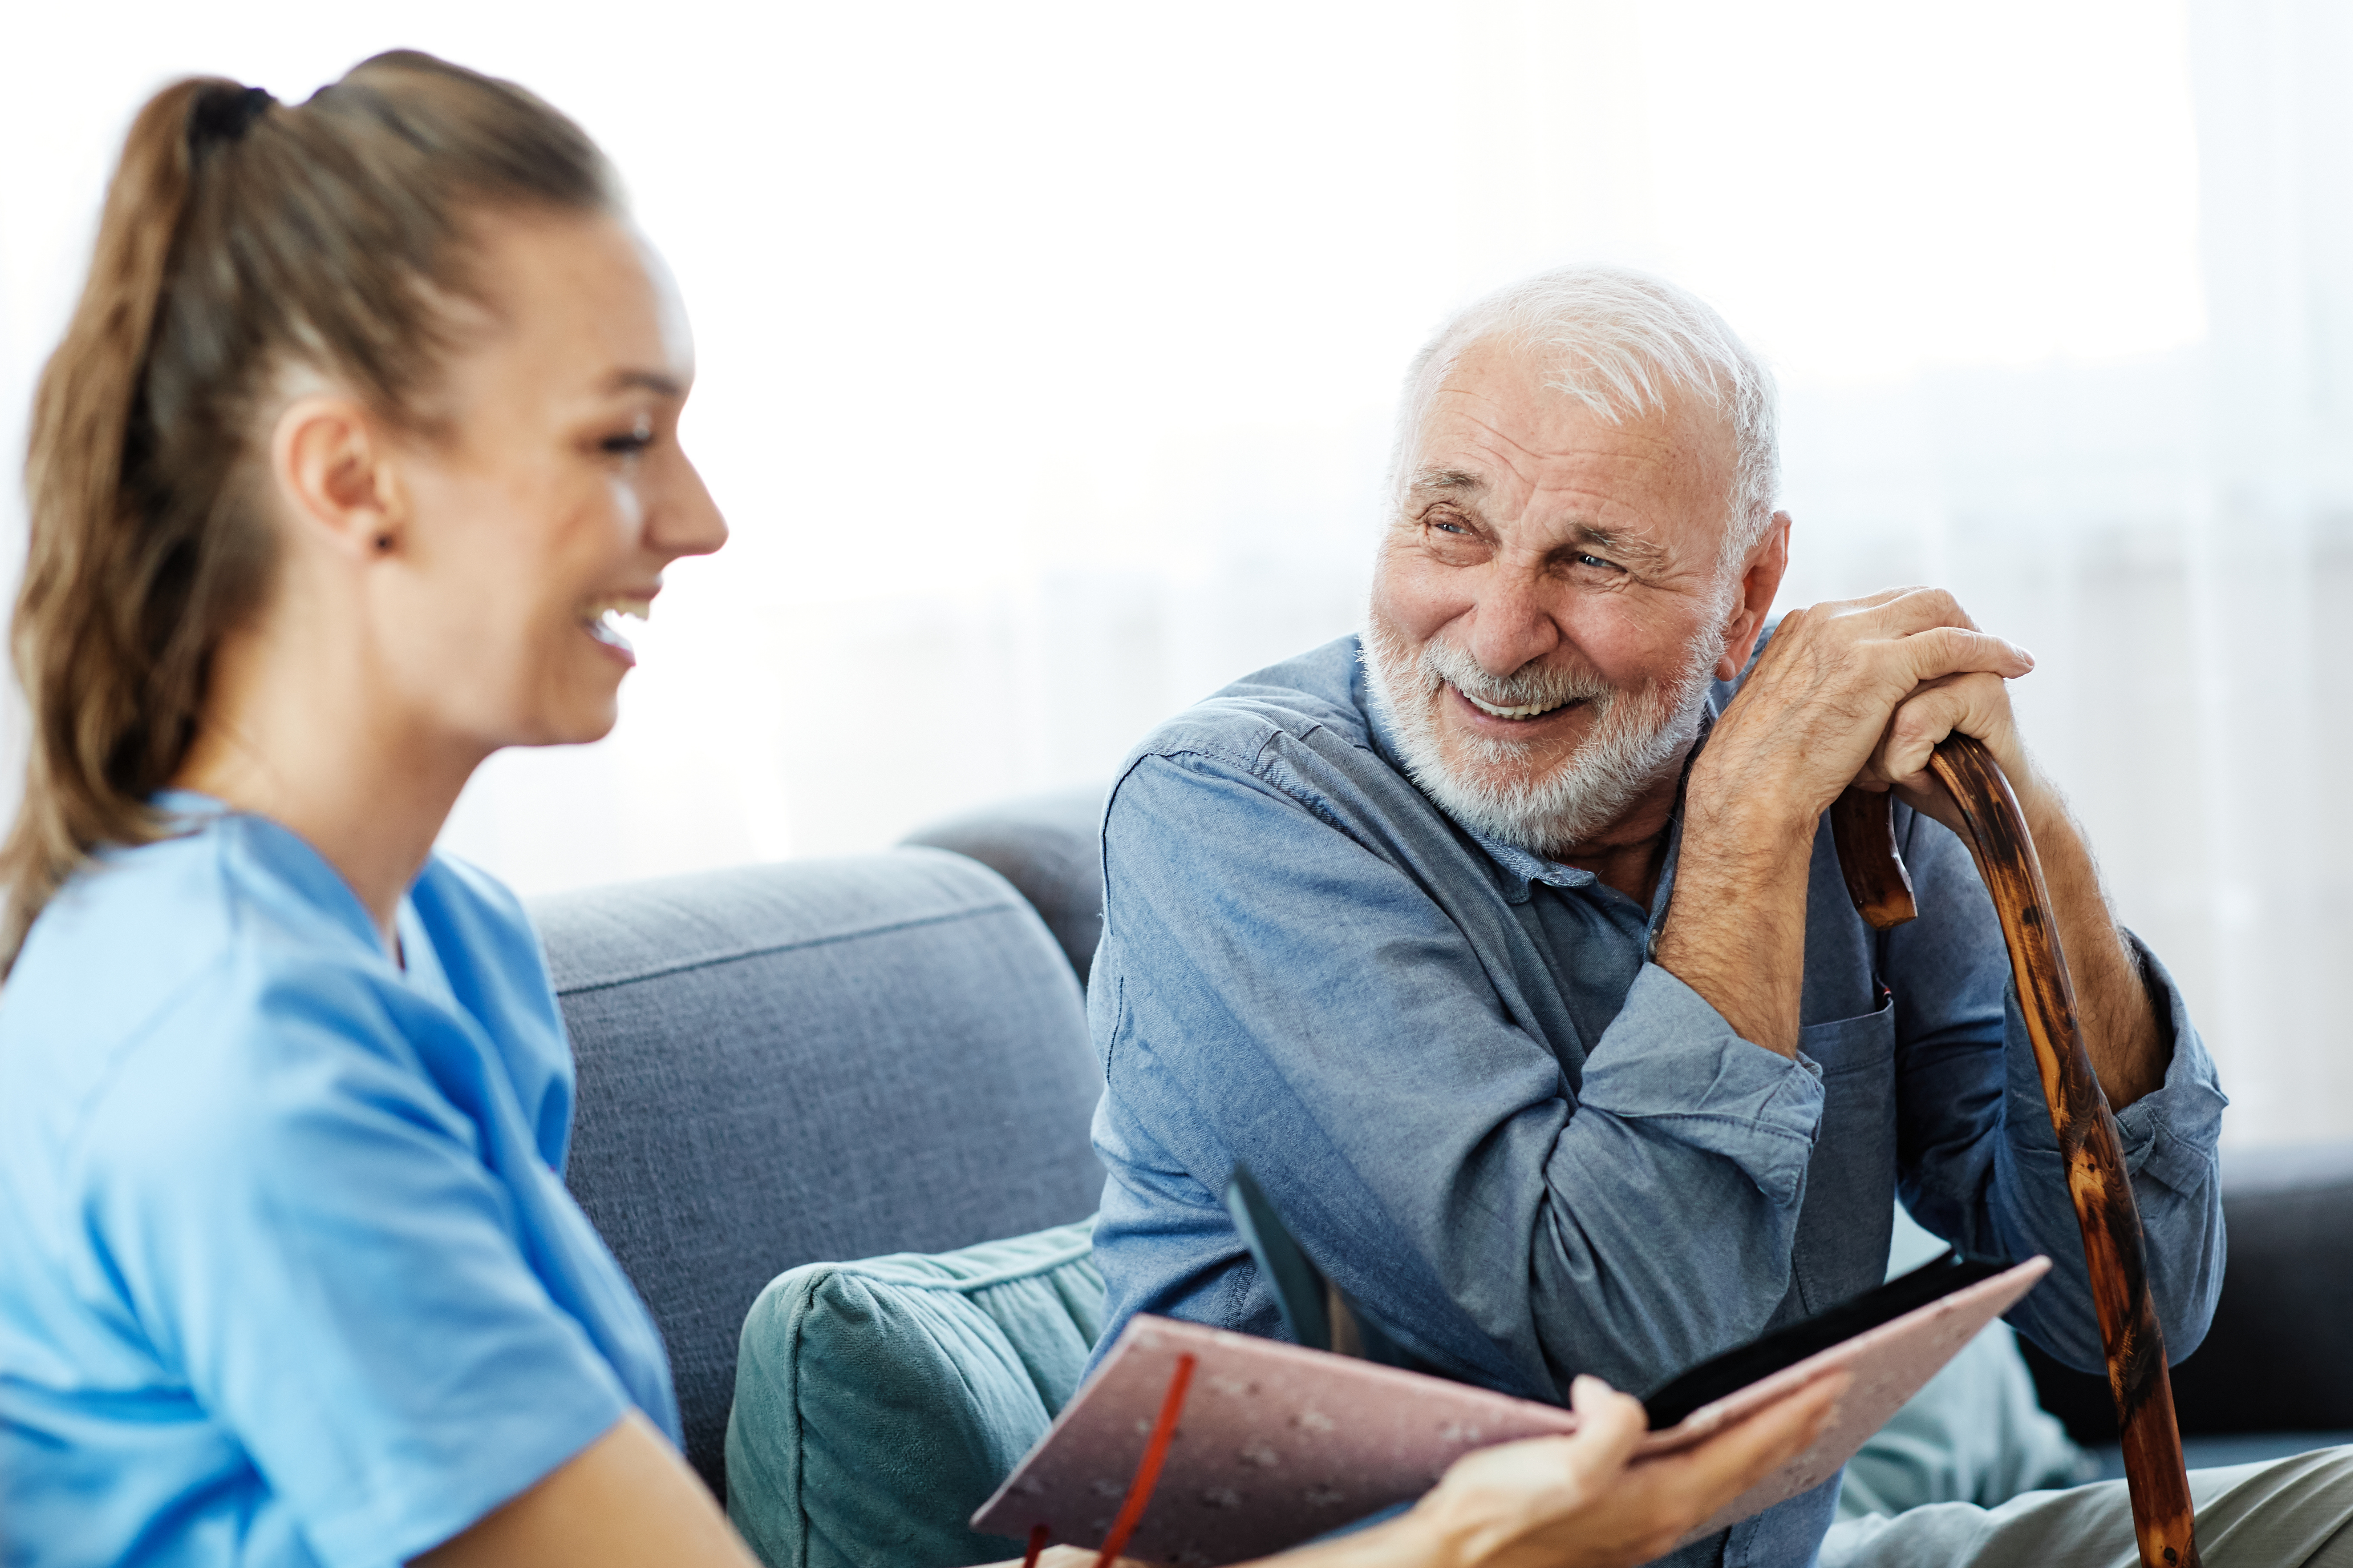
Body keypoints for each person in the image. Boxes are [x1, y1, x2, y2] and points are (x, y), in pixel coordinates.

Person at [0, 57, 1852, 1568]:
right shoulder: (242, 1054)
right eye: (620, 439)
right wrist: (1468, 1550)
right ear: (351, 480)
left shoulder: (446, 947)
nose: (701, 517)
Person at [1082, 264, 2353, 1566]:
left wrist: (2026, 815)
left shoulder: (1831, 773)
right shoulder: (1232, 819)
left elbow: (2129, 1299)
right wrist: (1746, 832)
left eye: (1592, 558)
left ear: (1749, 592)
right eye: (1451, 529)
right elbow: (1624, 1355)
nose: (1503, 629)